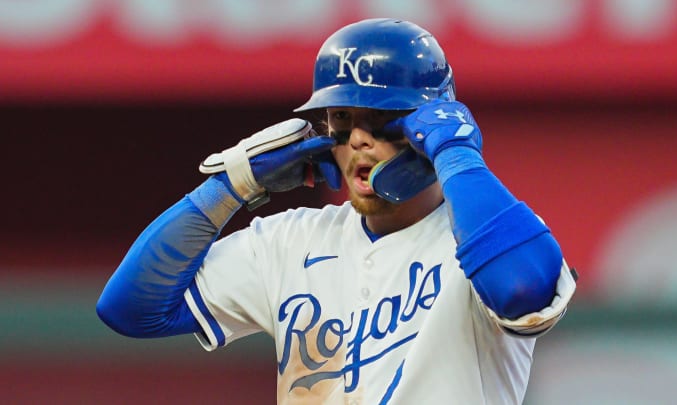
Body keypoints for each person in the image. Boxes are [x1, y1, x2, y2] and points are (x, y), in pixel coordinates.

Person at [97, 18, 576, 404]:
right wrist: (231, 186)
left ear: (429, 126)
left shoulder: (488, 236)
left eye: (383, 120)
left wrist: (457, 155)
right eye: (343, 121)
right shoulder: (288, 242)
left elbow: (520, 290)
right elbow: (132, 310)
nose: (359, 140)